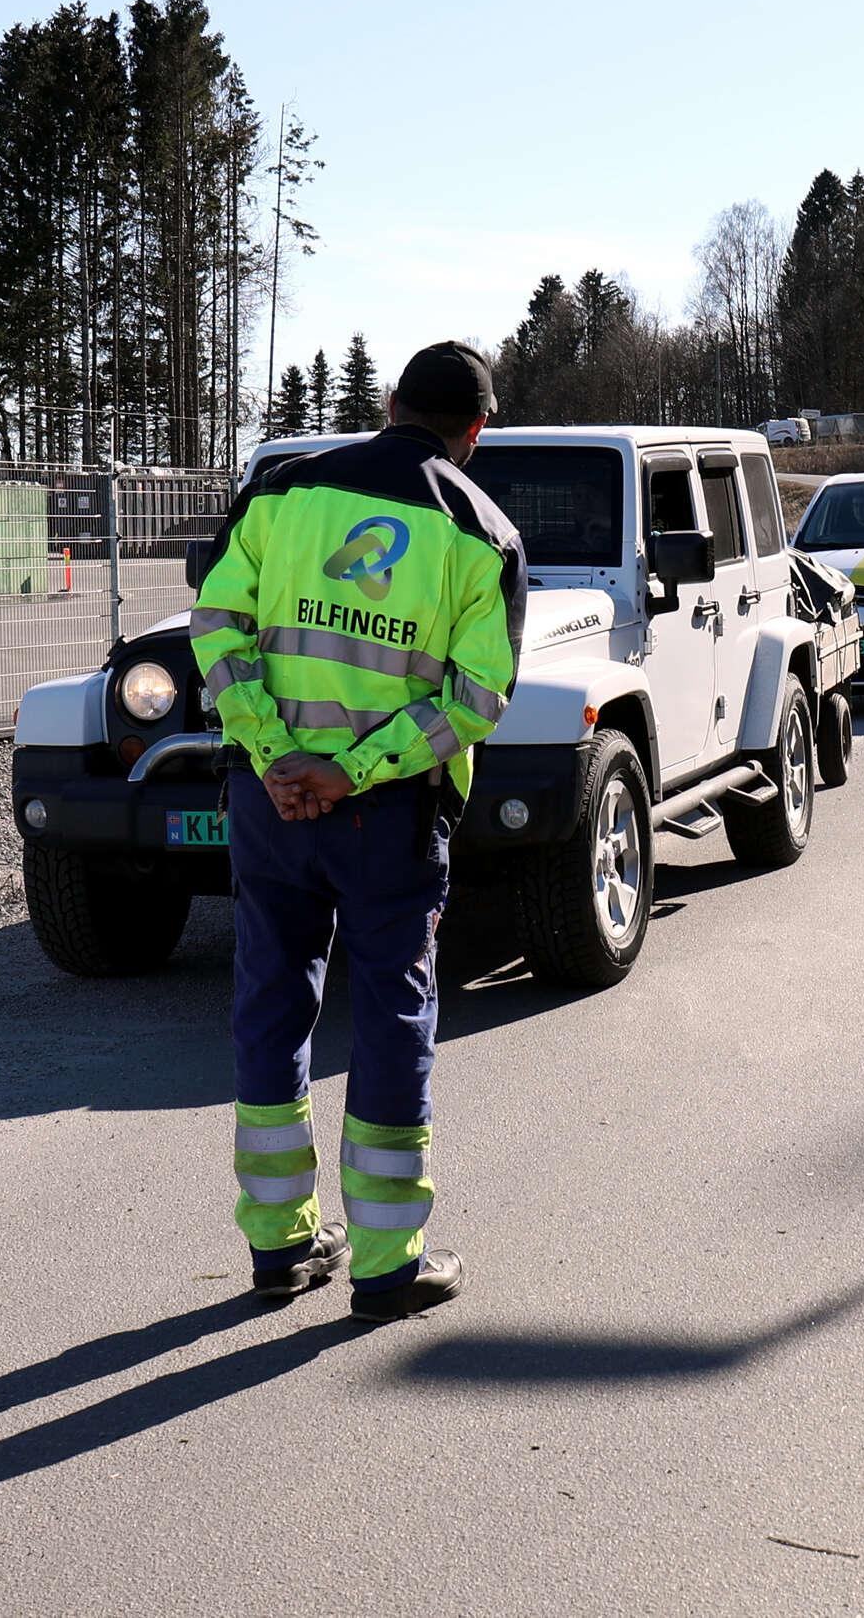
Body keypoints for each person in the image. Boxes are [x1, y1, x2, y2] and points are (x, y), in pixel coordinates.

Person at [189, 341, 522, 1321]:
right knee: (388, 1021)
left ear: (389, 403)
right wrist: (351, 770)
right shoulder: (482, 532)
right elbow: (477, 697)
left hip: (270, 804)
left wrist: (273, 755)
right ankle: (384, 1266)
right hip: (389, 817)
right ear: (475, 430)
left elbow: (215, 625)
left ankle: (280, 1246)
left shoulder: (283, 491)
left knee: (269, 1007)